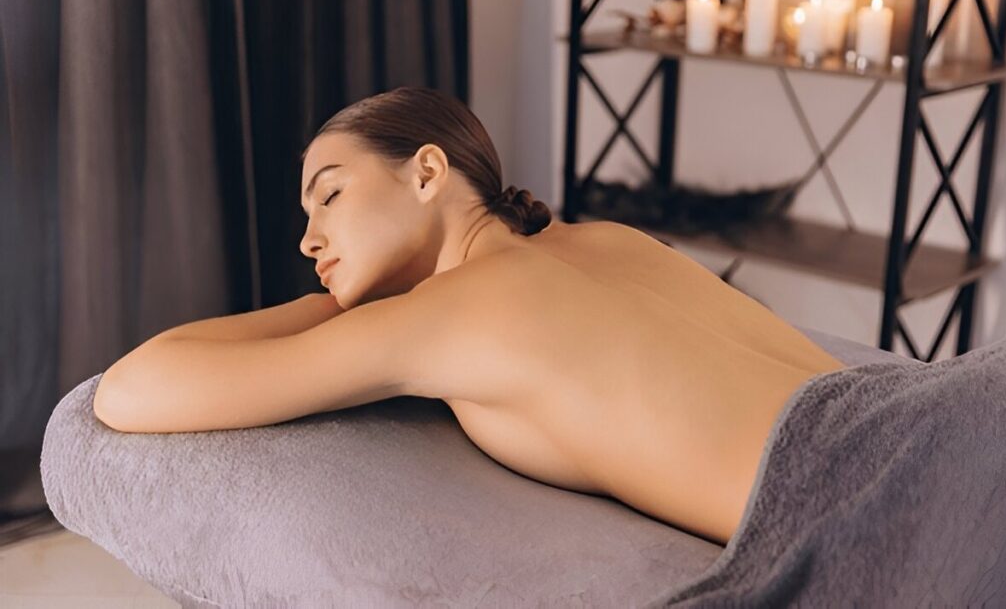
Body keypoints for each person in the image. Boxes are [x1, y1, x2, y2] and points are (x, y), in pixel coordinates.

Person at [96, 86, 847, 547]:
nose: (308, 239)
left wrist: (322, 307)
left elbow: (128, 390)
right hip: (898, 413)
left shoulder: (451, 313)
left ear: (427, 172)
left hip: (870, 496)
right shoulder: (606, 239)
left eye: (330, 194)